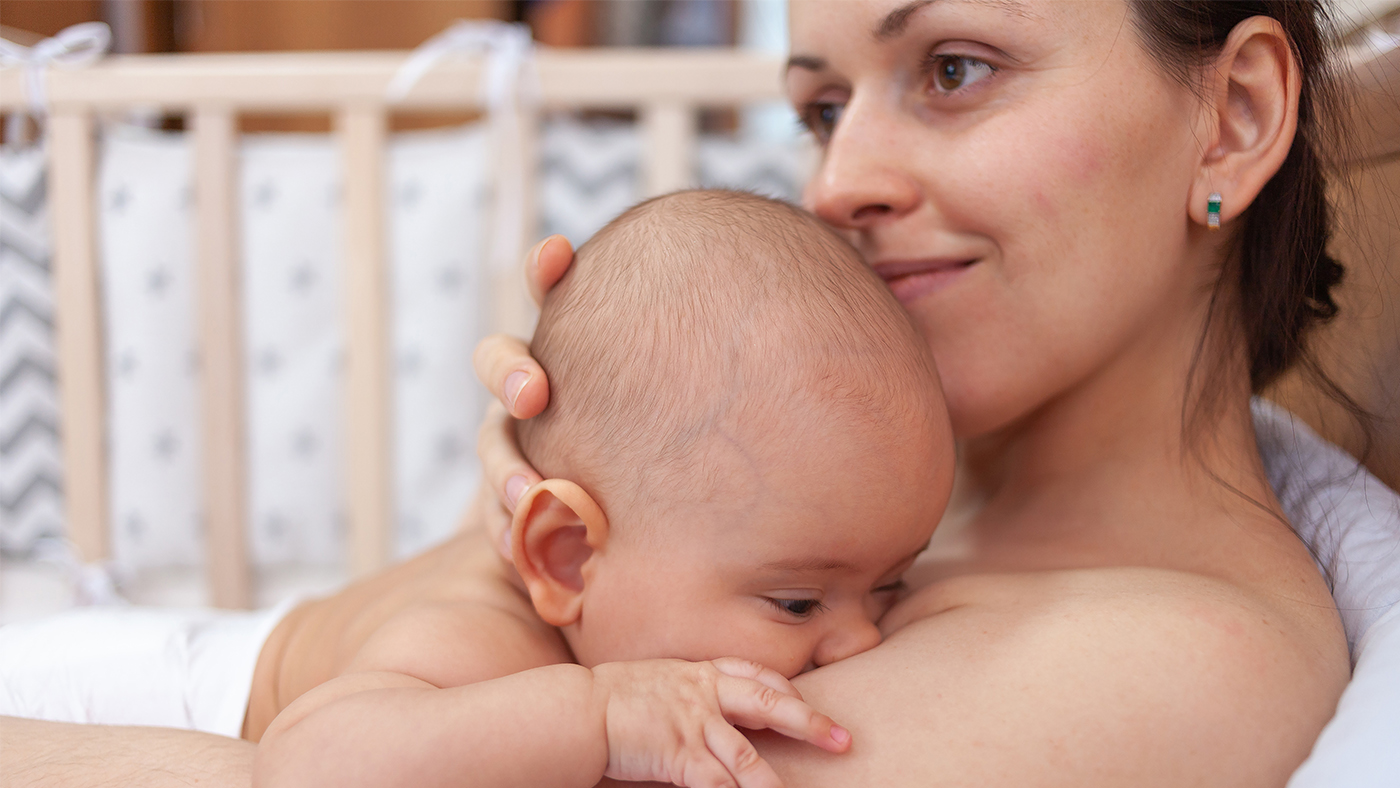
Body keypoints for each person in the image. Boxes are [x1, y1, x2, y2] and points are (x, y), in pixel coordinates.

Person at [0, 1, 1372, 786]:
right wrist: (578, 439)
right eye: (824, 109)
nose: (840, 185)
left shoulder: (1178, 655)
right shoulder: (893, 467)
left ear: (1236, 114)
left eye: (956, 71)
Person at [253, 190, 953, 787]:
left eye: (892, 583)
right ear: (567, 557)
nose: (861, 641)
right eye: (797, 601)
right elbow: (301, 766)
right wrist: (602, 715)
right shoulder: (481, 650)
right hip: (189, 675)